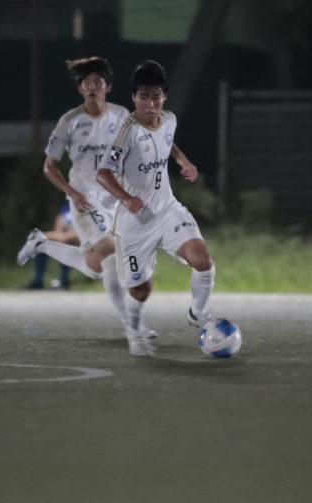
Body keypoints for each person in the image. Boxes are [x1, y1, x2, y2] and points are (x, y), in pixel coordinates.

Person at [16, 56, 154, 336]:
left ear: (108, 86)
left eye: (97, 81)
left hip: (115, 198)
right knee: (111, 251)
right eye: (86, 82)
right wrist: (72, 192)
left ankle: (41, 244)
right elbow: (49, 167)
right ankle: (132, 325)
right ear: (80, 89)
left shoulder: (121, 116)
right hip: (85, 198)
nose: (92, 87)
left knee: (95, 266)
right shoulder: (69, 122)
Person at [96, 59, 215, 356]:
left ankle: (198, 313)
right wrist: (126, 198)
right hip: (135, 221)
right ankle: (134, 333)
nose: (150, 104)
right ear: (134, 97)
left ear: (164, 97)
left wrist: (183, 161)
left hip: (168, 210)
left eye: (156, 96)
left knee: (203, 261)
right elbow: (103, 174)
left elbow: (167, 141)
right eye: (144, 97)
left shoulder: (169, 119)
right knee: (141, 290)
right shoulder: (127, 132)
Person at [24, 202, 78, 290]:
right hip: (64, 235)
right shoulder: (68, 204)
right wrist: (59, 234)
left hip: (80, 236)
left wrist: (66, 236)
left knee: (66, 242)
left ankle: (64, 282)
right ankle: (37, 281)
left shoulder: (88, 202)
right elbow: (60, 219)